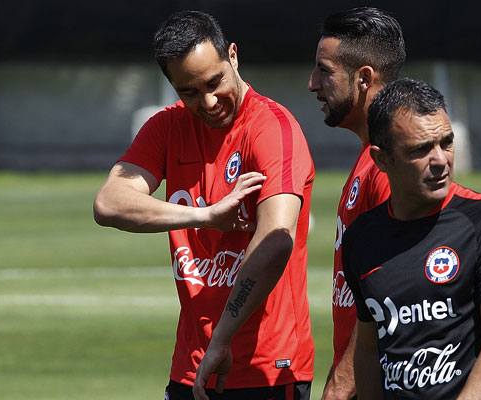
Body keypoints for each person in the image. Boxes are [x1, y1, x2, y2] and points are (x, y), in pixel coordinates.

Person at [93, 10, 315, 400]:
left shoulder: (272, 128)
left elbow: (276, 239)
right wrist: (205, 215)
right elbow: (109, 203)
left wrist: (222, 339)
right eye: (189, 92)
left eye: (215, 82)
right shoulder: (167, 127)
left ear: (233, 56)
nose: (209, 101)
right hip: (192, 367)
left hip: (267, 370)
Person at [342, 78, 481, 399]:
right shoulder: (361, 238)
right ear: (381, 159)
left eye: (446, 143)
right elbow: (368, 349)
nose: (440, 161)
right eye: (420, 150)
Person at [307, 7, 405, 399]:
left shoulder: (389, 167)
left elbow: (396, 292)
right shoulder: (369, 158)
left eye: (324, 71)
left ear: (364, 78)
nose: (313, 83)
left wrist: (340, 385)